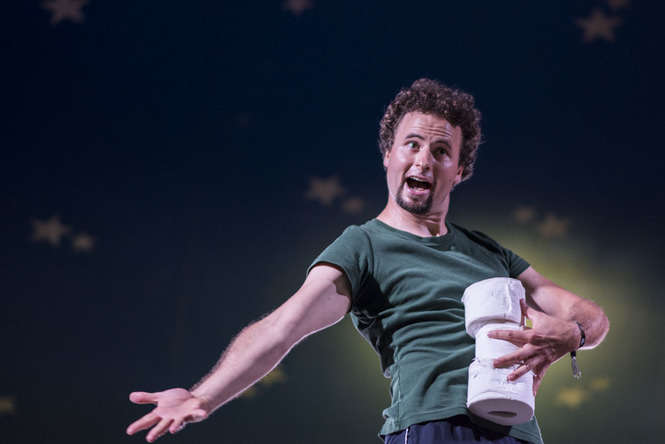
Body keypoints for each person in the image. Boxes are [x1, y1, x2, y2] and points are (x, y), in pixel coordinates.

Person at [126, 79, 609, 443]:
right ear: (389, 155)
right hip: (434, 427)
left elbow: (589, 315)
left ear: (459, 170)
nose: (423, 159)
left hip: (519, 431)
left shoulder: (490, 252)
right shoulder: (363, 245)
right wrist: (203, 396)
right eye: (412, 144)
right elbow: (282, 327)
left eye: (441, 151)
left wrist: (575, 334)